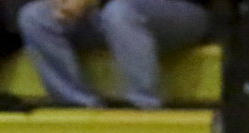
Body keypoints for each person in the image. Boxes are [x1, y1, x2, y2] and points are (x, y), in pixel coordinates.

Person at [18, 0, 212, 111]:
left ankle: (143, 104)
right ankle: (76, 103)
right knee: (35, 16)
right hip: (102, 14)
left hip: (178, 11)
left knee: (121, 11)